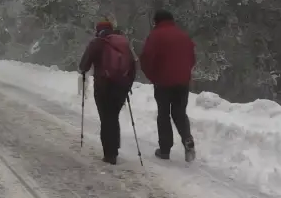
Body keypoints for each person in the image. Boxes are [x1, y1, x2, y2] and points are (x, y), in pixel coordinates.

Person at [139, 9, 196, 162]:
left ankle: (165, 149)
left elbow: (145, 59)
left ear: (156, 21)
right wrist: (185, 74)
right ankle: (187, 139)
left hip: (163, 82)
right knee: (179, 112)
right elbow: (192, 57)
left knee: (163, 114)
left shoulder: (155, 36)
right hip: (182, 82)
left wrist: (153, 77)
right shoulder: (183, 36)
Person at [79, 21, 136, 165]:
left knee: (106, 118)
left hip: (103, 86)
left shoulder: (97, 43)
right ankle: (114, 148)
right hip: (121, 87)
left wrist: (86, 70)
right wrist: (127, 84)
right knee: (113, 116)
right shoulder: (123, 44)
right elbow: (133, 65)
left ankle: (110, 153)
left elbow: (83, 65)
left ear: (98, 31)